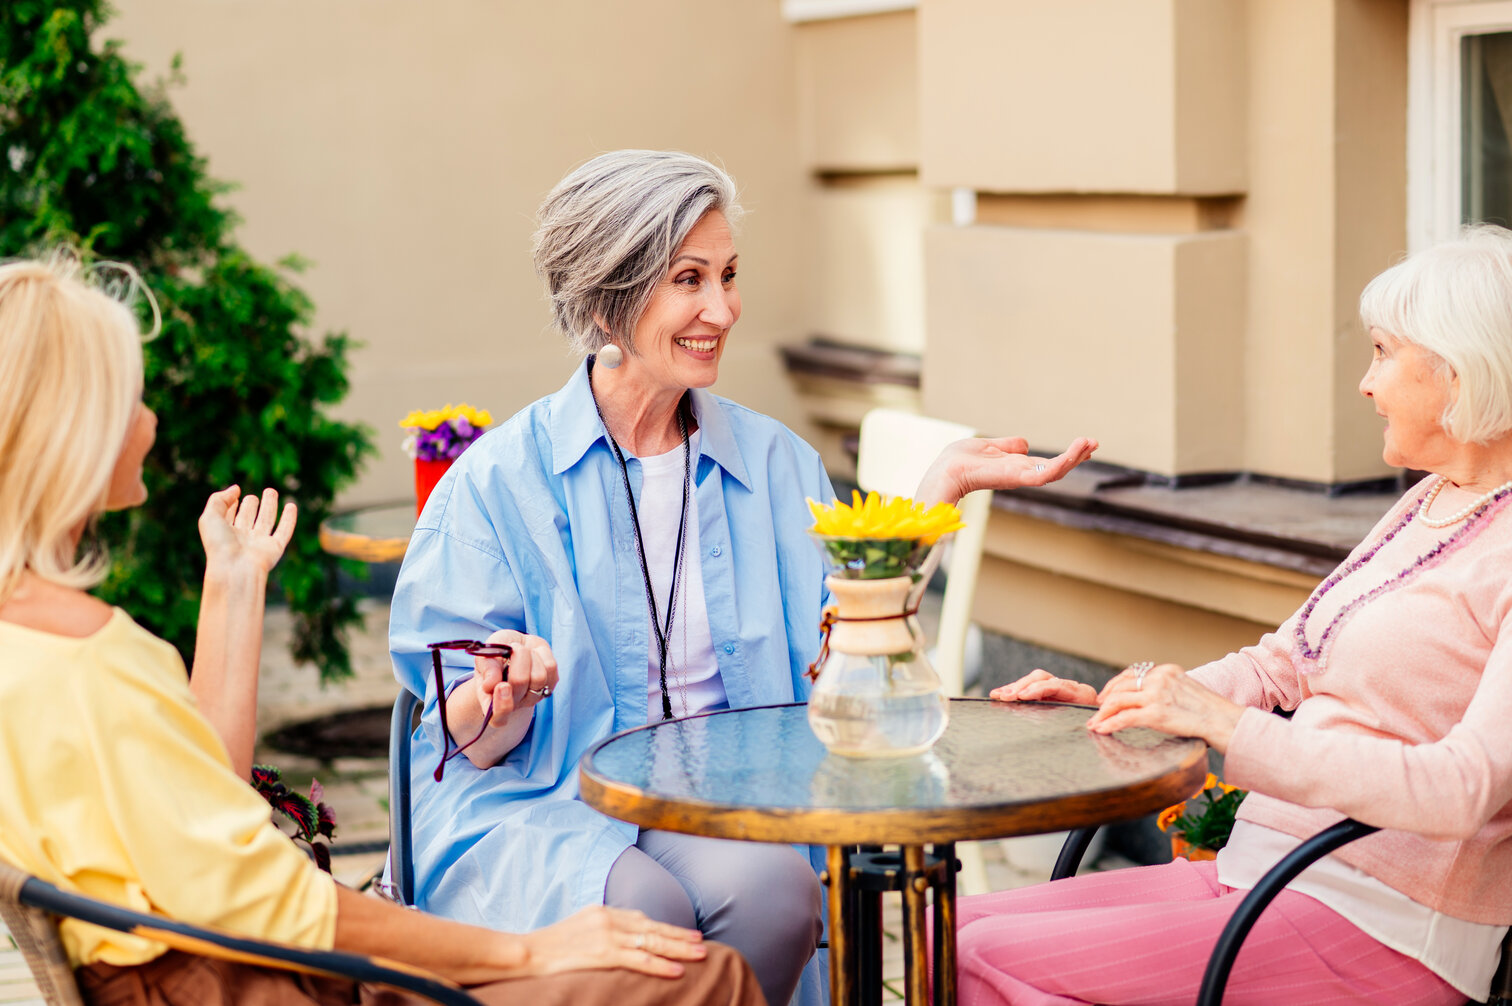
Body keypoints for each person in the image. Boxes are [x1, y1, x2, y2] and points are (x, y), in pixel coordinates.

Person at [387, 149, 1097, 1006]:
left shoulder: (774, 464)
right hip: (541, 799)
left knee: (777, 893)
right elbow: (457, 739)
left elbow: (852, 653)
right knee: (643, 915)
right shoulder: (496, 483)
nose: (721, 309)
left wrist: (933, 492)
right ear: (609, 295)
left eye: (727, 275)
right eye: (688, 279)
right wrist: (502, 695)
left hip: (714, 803)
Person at [0, 256, 766, 1006]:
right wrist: (528, 949)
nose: (149, 420)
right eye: (131, 399)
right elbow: (288, 908)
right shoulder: (97, 660)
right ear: (75, 433)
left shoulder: (29, 645)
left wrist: (234, 589)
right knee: (703, 976)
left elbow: (207, 802)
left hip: (199, 970)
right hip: (258, 979)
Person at [965, 225, 1512, 1005]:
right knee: (940, 936)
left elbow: (1462, 790)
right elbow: (1283, 661)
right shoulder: (1432, 501)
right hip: (1267, 872)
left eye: (1385, 352)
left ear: (1459, 372)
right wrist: (1137, 699)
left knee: (981, 962)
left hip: (1384, 924)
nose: (1366, 382)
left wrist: (1226, 728)